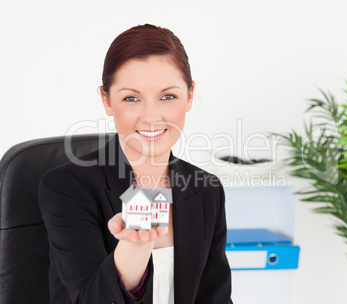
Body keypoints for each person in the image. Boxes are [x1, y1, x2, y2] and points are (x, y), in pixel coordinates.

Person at [38, 23, 233, 304]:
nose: (151, 116)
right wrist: (133, 247)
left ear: (189, 95)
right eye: (131, 98)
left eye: (168, 96)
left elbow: (215, 298)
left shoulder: (206, 189)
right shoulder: (67, 187)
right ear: (106, 100)